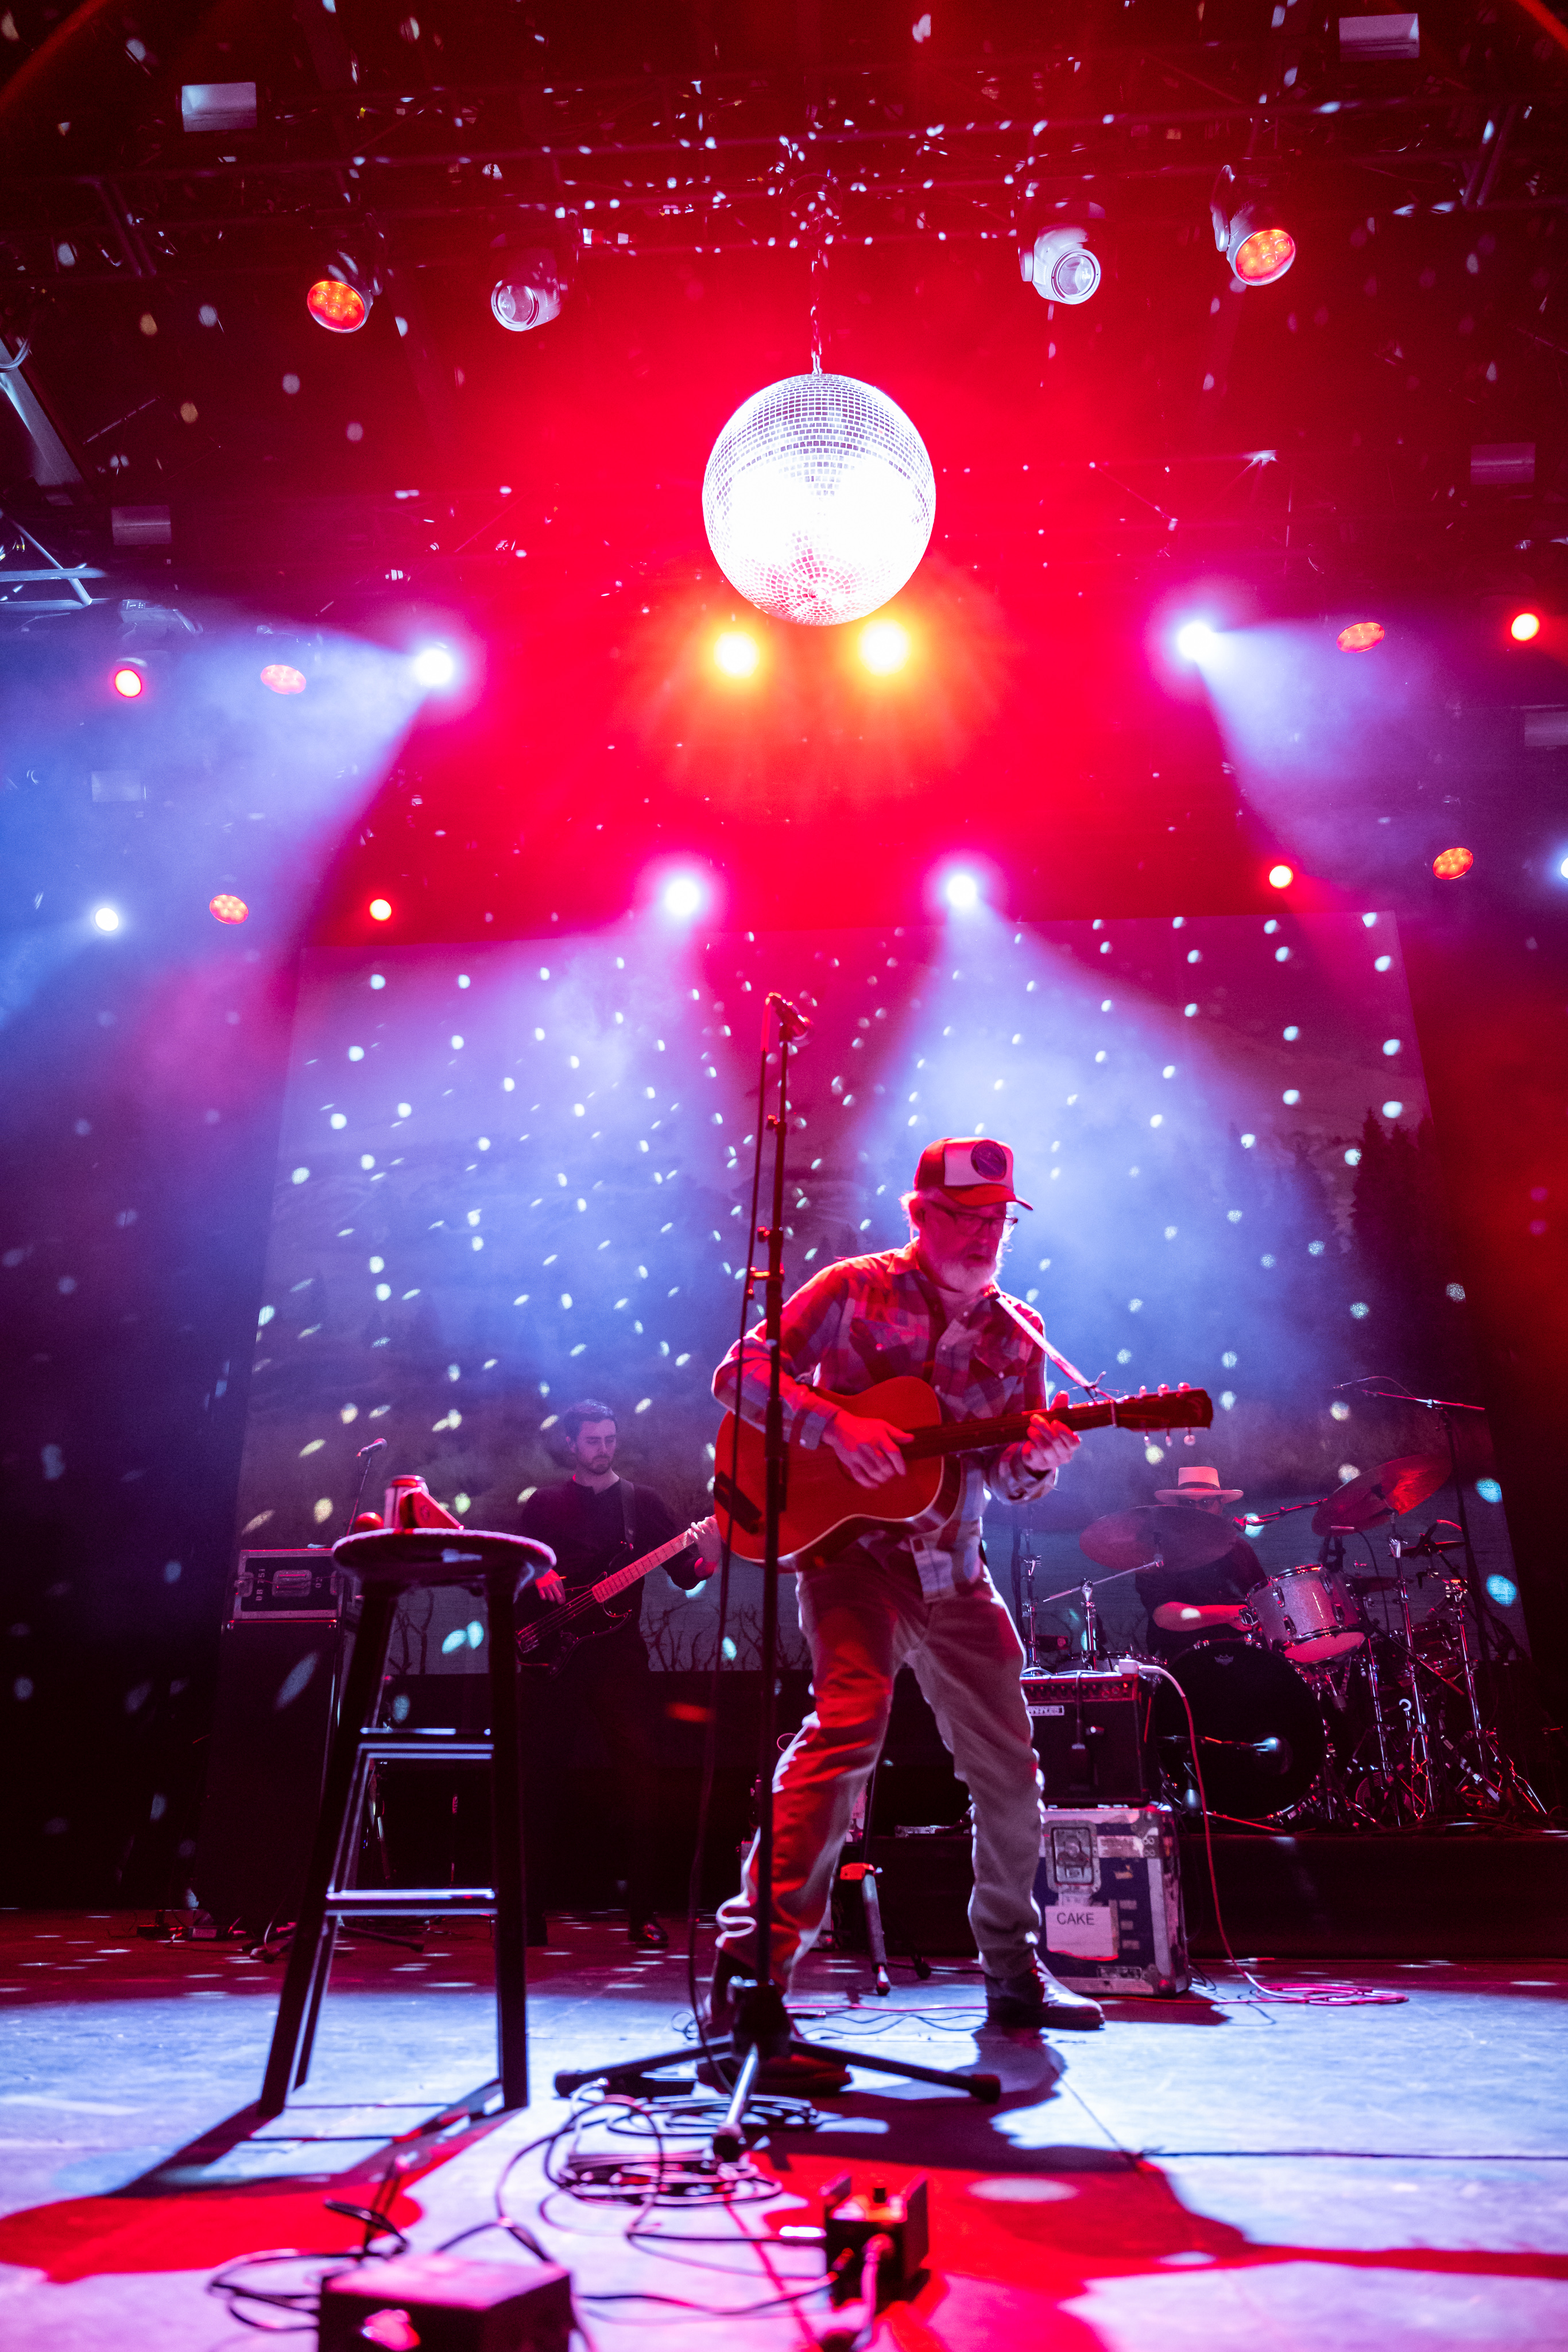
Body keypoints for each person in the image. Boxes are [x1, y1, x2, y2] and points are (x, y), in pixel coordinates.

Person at [708, 1135, 1102, 2030]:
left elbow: (1008, 1473)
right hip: (851, 1562)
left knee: (1010, 1772)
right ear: (919, 1215)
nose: (983, 1235)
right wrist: (830, 1426)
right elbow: (739, 1375)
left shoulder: (1018, 1332)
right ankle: (749, 1974)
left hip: (955, 1571)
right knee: (845, 1729)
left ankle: (1013, 1968)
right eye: (963, 1217)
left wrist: (1037, 1462)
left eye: (997, 1220)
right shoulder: (851, 1288)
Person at [517, 1398, 719, 1949]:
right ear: (570, 1444)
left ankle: (643, 1913)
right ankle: (528, 1913)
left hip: (618, 1660)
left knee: (641, 1782)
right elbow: (512, 1570)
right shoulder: (543, 1504)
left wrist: (709, 1554)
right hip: (552, 1658)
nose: (603, 1449)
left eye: (609, 1439)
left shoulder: (641, 1503)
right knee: (537, 1785)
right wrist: (537, 1573)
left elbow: (686, 1573)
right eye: (592, 1441)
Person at [1135, 1464, 1265, 1662]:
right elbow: (1164, 1616)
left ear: (1220, 1506)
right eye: (1188, 1503)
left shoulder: (1240, 1548)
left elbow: (1263, 1599)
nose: (1197, 1510)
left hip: (1243, 1655)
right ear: (1177, 1508)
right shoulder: (1157, 1553)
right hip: (1184, 1659)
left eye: (1205, 1502)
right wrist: (1229, 1614)